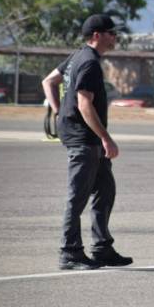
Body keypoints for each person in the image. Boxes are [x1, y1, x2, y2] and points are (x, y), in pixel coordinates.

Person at [42, 14, 133, 270]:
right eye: (111, 33)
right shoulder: (89, 62)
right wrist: (107, 138)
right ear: (97, 35)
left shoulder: (77, 57)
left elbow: (48, 81)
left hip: (86, 136)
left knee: (105, 189)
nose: (115, 37)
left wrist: (59, 111)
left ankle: (102, 248)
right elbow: (84, 103)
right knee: (78, 195)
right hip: (84, 139)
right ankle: (70, 252)